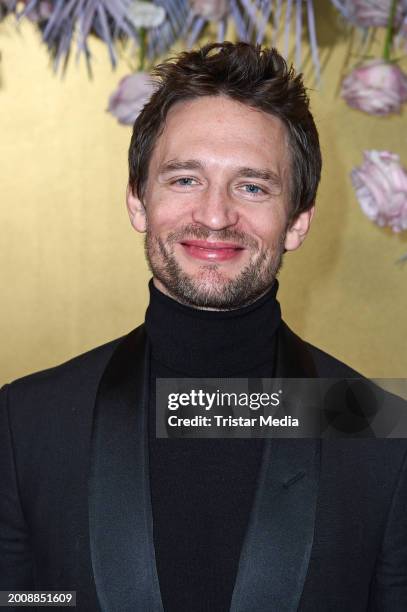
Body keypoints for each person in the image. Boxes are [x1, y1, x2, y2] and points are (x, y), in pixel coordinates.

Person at [1, 42, 406, 612]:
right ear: (138, 201)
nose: (215, 216)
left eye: (252, 186)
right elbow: (26, 601)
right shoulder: (27, 423)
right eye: (185, 179)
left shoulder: (382, 433)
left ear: (298, 221)